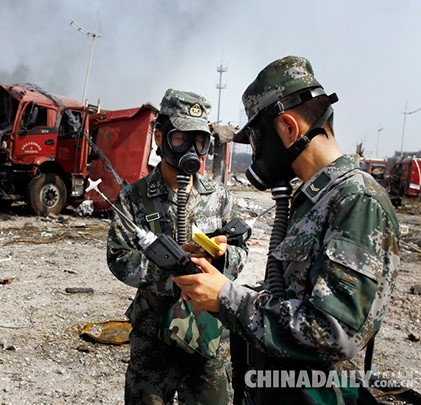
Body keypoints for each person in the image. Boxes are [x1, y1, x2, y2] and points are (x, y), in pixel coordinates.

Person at [172, 56, 401, 404]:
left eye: (258, 141)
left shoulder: (357, 201)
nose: (258, 155)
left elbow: (334, 332)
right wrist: (218, 281)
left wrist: (226, 297)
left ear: (288, 128)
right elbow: (291, 296)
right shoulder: (314, 197)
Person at [107, 88, 248, 404]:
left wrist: (220, 259)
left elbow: (241, 251)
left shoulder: (220, 197)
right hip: (154, 331)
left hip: (209, 331)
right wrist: (171, 268)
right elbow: (119, 257)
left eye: (199, 141)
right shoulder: (134, 197)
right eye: (181, 138)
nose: (192, 149)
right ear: (160, 137)